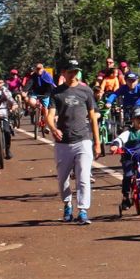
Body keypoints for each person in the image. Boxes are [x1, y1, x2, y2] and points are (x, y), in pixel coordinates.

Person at [44, 58, 102, 224]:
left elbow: (92, 118)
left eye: (75, 72)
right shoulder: (57, 93)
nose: (73, 75)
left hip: (83, 140)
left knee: (83, 177)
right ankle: (68, 205)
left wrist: (97, 142)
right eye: (70, 71)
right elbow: (49, 116)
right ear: (63, 73)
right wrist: (54, 129)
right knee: (63, 179)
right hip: (63, 143)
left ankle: (83, 210)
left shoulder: (86, 91)